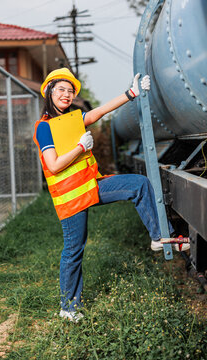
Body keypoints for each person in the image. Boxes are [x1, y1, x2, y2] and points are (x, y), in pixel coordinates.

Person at [33, 68, 189, 322]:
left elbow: (98, 113)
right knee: (74, 249)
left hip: (92, 186)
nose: (66, 94)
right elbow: (54, 165)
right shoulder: (44, 127)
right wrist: (80, 148)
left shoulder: (70, 119)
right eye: (60, 89)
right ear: (49, 91)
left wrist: (131, 93)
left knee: (138, 184)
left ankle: (161, 237)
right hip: (70, 198)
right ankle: (68, 307)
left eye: (70, 90)